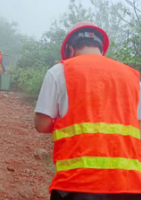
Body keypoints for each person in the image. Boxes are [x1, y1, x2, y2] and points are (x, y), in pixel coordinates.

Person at [34, 21, 141, 200]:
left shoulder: (59, 71)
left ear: (70, 49)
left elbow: (42, 125)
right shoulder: (133, 77)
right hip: (130, 186)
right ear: (101, 48)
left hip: (76, 185)